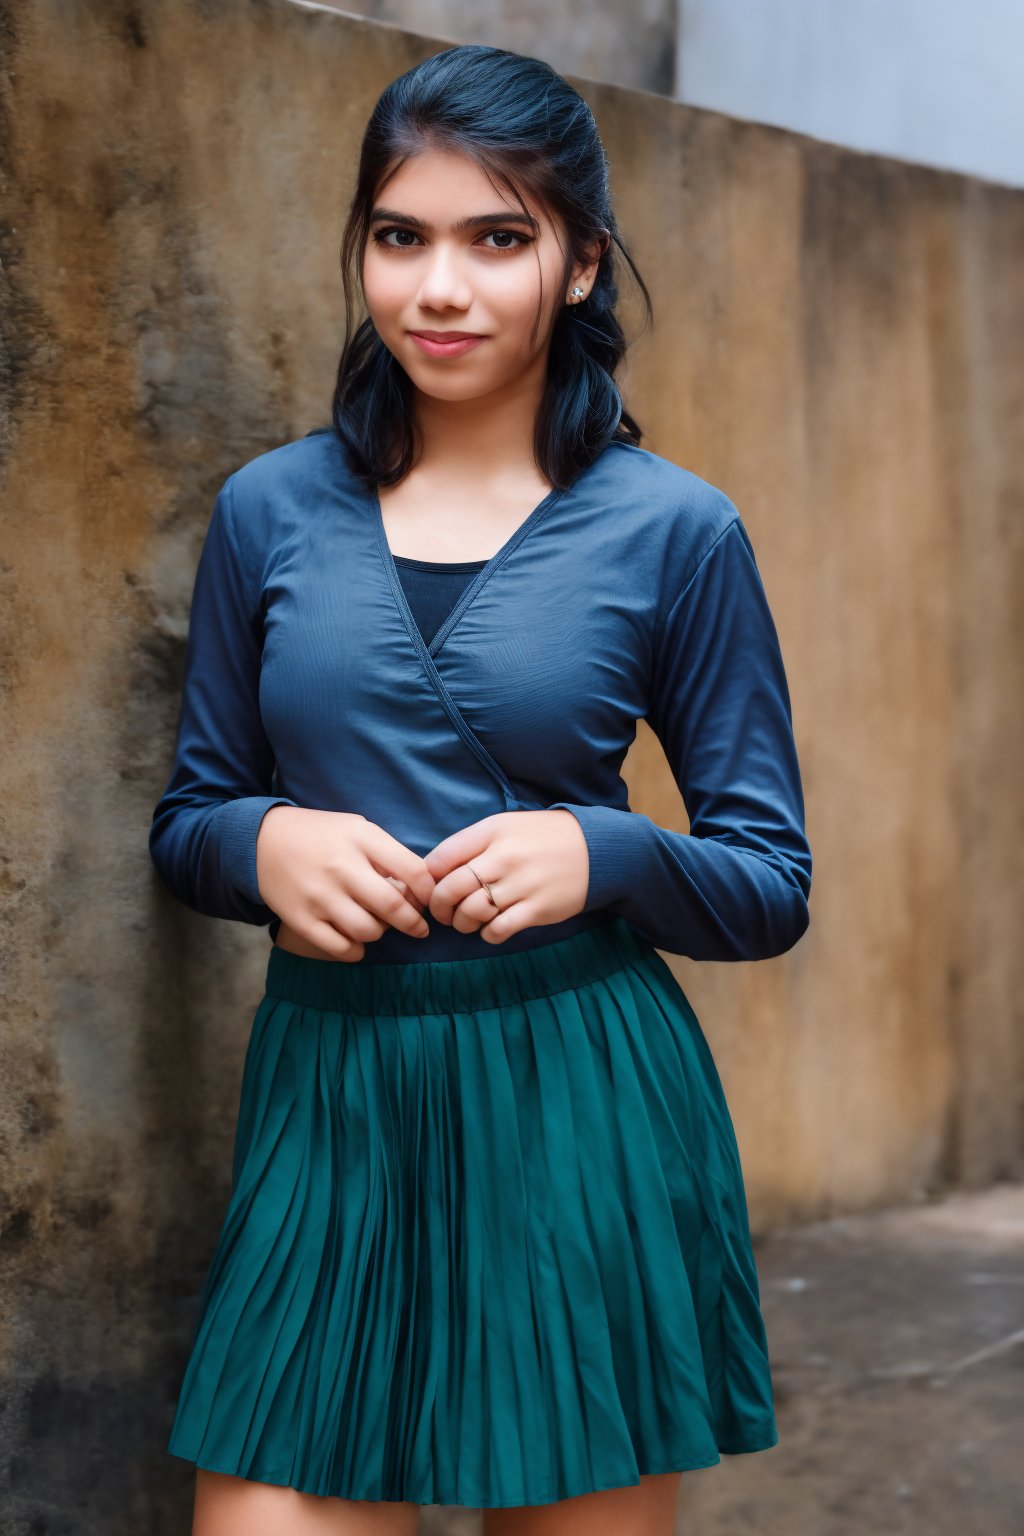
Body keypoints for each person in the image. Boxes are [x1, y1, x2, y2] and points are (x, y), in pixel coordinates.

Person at [149, 41, 812, 1536]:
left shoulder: (677, 533)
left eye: (496, 238)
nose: (439, 288)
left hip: (577, 1100)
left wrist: (611, 853)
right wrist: (262, 842)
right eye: (402, 236)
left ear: (578, 264)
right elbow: (187, 818)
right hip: (335, 1100)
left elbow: (772, 881)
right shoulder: (270, 509)